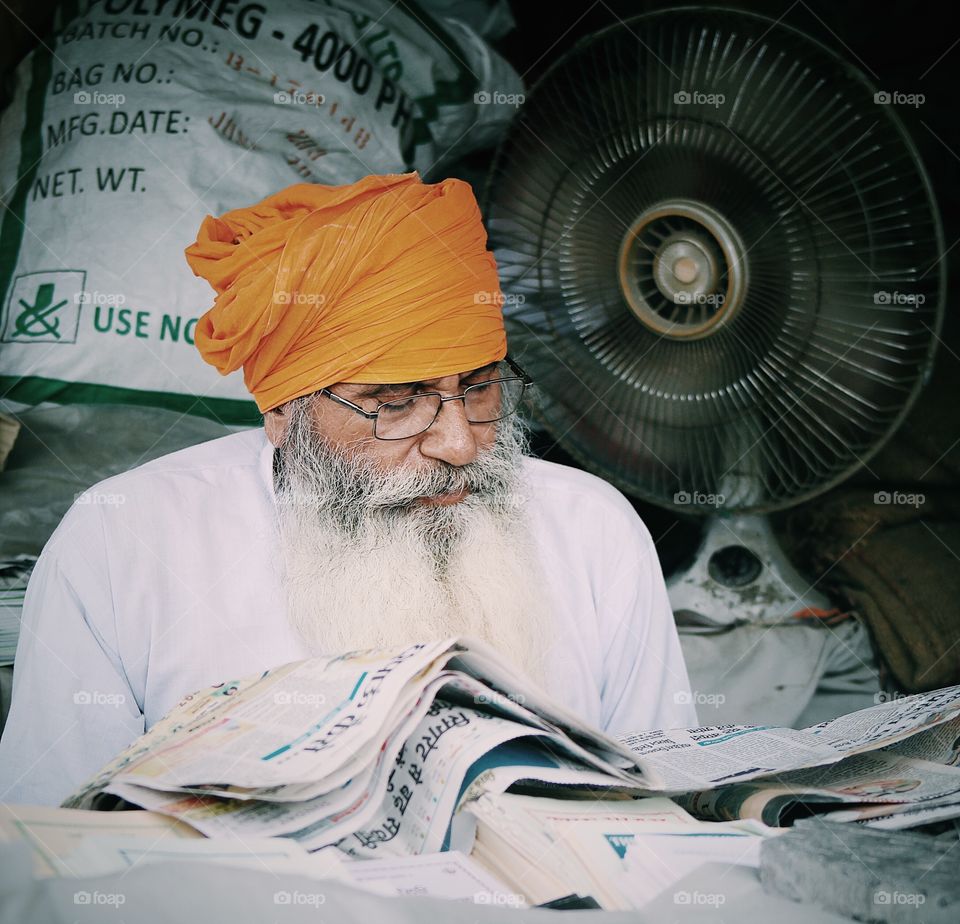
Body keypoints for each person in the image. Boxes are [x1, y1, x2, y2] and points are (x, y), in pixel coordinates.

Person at [0, 172, 695, 806]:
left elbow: (661, 802)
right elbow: (50, 834)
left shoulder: (594, 529)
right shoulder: (125, 540)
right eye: (396, 402)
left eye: (480, 386)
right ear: (281, 411)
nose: (458, 444)